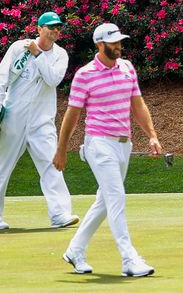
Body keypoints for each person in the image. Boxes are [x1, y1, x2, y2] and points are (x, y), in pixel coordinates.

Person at [53, 22, 161, 277]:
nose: (118, 46)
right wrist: (61, 149)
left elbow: (138, 105)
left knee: (105, 201)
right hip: (99, 144)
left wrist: (153, 136)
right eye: (113, 43)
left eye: (119, 42)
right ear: (99, 45)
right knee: (116, 198)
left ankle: (75, 250)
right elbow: (72, 115)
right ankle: (129, 259)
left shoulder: (127, 68)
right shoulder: (85, 74)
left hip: (124, 144)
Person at [0, 11, 79, 230]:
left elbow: (53, 80)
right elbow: (1, 78)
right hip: (14, 117)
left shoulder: (60, 55)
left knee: (52, 166)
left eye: (58, 27)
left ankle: (60, 214)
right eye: (51, 27)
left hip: (42, 121)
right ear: (39, 29)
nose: (55, 30)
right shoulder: (18, 48)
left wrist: (38, 55)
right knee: (3, 166)